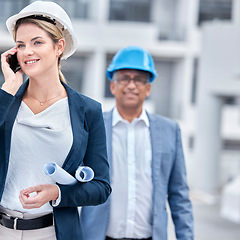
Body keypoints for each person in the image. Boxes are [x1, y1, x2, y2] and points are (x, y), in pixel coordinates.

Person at [0, 1, 111, 240]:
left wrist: (56, 192)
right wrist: (8, 90)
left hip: (52, 232)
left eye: (37, 42)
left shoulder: (87, 111)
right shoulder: (4, 100)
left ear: (59, 46)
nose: (27, 51)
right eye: (20, 45)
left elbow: (101, 187)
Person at [81, 46, 194, 240]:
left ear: (148, 87)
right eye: (124, 78)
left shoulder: (169, 131)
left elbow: (179, 196)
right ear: (112, 86)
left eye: (139, 80)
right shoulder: (92, 127)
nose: (131, 85)